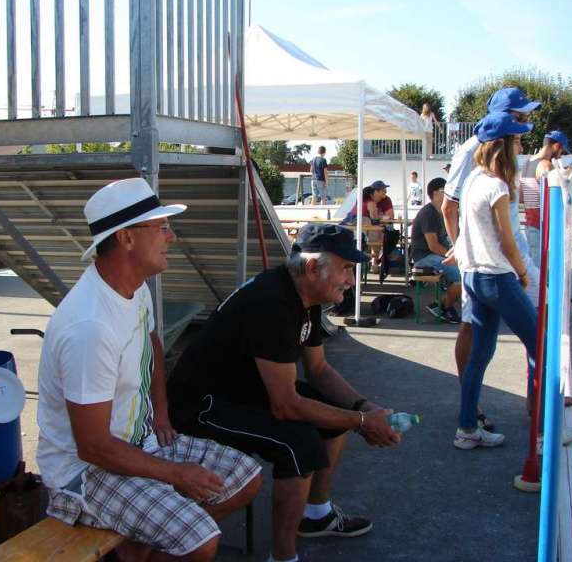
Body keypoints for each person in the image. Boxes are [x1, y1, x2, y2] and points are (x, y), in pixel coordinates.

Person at [37, 178, 262, 562]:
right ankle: (155, 540)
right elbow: (92, 446)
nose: (170, 237)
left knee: (246, 478)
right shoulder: (89, 327)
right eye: (160, 227)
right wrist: (175, 474)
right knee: (201, 541)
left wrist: (160, 410)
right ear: (126, 238)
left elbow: (152, 341)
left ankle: (147, 546)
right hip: (85, 474)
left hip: (137, 443)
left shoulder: (134, 286)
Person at [168, 224, 401, 562]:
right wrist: (363, 421)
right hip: (201, 405)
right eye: (346, 269)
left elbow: (319, 371)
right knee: (299, 444)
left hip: (246, 389)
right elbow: (286, 406)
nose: (351, 279)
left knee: (333, 413)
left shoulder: (307, 296)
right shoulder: (271, 303)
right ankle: (282, 557)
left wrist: (364, 408)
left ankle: (316, 514)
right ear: (311, 267)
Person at [441, 86, 542, 431]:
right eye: (518, 136)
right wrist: (521, 273)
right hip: (498, 274)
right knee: (540, 345)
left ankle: (467, 427)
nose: (523, 142)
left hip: (476, 275)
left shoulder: (474, 178)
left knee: (480, 356)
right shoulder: (496, 184)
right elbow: (506, 240)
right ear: (503, 144)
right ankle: (543, 431)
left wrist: (465, 249)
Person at [411, 177, 462, 324]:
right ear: (435, 193)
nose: (449, 194)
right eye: (444, 191)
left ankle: (444, 304)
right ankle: (442, 306)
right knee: (462, 274)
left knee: (466, 270)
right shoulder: (428, 213)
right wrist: (455, 256)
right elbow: (433, 245)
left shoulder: (443, 212)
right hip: (424, 257)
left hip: (435, 255)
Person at [520, 130, 570, 266]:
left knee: (532, 266)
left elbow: (521, 196)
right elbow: (554, 195)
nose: (560, 156)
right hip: (542, 225)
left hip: (530, 222)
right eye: (561, 151)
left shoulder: (527, 162)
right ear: (556, 146)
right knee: (541, 269)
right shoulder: (545, 165)